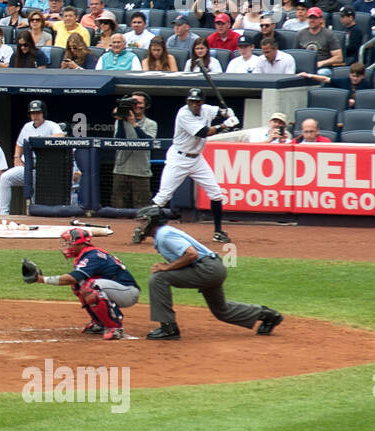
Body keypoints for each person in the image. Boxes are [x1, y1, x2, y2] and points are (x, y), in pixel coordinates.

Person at [131, 205, 283, 340]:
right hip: (211, 267)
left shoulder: (164, 235)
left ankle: (168, 327)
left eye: (143, 221)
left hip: (207, 269)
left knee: (159, 278)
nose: (141, 225)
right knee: (222, 311)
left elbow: (191, 254)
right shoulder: (164, 234)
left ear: (153, 221)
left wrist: (167, 267)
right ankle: (269, 316)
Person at [151, 89, 236, 243]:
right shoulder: (183, 114)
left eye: (197, 102)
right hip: (178, 158)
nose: (194, 104)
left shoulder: (206, 109)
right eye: (191, 101)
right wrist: (224, 125)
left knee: (216, 193)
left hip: (197, 159)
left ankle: (218, 232)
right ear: (187, 102)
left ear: (202, 102)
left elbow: (218, 111)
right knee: (162, 197)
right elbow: (203, 132)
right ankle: (143, 228)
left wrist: (227, 112)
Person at [26, 228, 141, 340]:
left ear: (81, 244)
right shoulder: (86, 254)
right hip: (115, 289)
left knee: (90, 287)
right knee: (78, 286)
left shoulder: (93, 255)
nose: (67, 247)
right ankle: (99, 323)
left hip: (128, 292)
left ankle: (115, 327)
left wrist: (42, 279)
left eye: (70, 243)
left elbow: (72, 278)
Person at [0, 100, 62, 216]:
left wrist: (41, 140)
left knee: (36, 202)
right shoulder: (27, 127)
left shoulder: (51, 125)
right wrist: (16, 157)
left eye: (38, 112)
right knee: (5, 178)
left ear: (43, 113)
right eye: (33, 113)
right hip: (27, 167)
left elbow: (60, 136)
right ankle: (3, 214)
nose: (35, 115)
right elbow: (19, 144)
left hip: (43, 169)